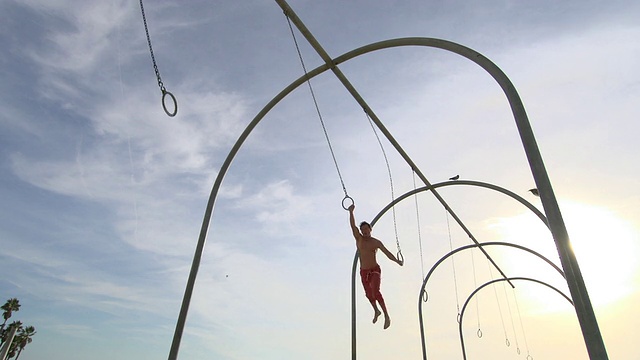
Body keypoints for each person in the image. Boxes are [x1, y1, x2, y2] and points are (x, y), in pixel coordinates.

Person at [349, 204, 403, 329]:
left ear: (370, 229)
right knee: (368, 294)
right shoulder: (359, 239)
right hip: (364, 271)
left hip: (374, 270)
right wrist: (351, 212)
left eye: (366, 230)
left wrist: (397, 261)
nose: (364, 232)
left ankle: (386, 315)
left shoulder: (376, 242)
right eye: (362, 230)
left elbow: (388, 253)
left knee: (375, 291)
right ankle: (376, 311)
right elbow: (352, 226)